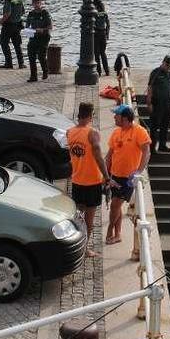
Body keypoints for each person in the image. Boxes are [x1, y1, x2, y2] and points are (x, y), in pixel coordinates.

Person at [68, 102, 115, 257]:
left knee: (78, 216)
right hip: (92, 182)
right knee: (89, 220)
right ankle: (85, 249)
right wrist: (107, 177)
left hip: (77, 181)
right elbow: (98, 157)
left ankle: (74, 245)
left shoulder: (70, 132)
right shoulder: (92, 133)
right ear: (91, 115)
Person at [104, 104, 151, 245]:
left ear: (124, 118)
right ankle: (117, 234)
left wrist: (138, 172)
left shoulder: (139, 131)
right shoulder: (116, 132)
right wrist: (106, 176)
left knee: (115, 205)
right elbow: (109, 155)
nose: (113, 117)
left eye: (116, 115)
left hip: (128, 178)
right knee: (116, 206)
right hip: (114, 175)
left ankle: (109, 230)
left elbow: (146, 152)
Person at [146, 55, 170, 153]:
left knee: (165, 125)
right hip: (157, 104)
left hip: (167, 103)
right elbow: (150, 88)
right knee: (154, 127)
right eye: (167, 64)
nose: (168, 66)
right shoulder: (156, 72)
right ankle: (152, 147)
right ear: (163, 62)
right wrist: (149, 103)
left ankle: (162, 145)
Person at [25, 0, 53, 82]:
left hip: (43, 37)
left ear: (40, 3)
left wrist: (42, 29)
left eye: (38, 3)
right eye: (34, 3)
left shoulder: (44, 13)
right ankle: (33, 76)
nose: (36, 5)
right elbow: (27, 26)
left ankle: (45, 71)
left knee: (41, 55)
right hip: (33, 36)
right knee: (31, 55)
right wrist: (28, 30)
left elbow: (50, 26)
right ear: (32, 4)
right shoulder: (31, 14)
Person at [0, 0, 26, 69]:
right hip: (17, 25)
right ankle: (21, 63)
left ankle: (9, 63)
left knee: (4, 43)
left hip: (8, 25)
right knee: (17, 44)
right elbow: (22, 12)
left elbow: (7, 14)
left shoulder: (8, 0)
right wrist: (16, 17)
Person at [92, 0, 110, 76]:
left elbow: (93, 24)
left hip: (96, 34)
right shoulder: (104, 14)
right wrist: (107, 34)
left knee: (96, 54)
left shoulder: (95, 14)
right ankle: (107, 71)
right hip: (103, 34)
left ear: (96, 6)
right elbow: (108, 25)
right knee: (103, 53)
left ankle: (98, 71)